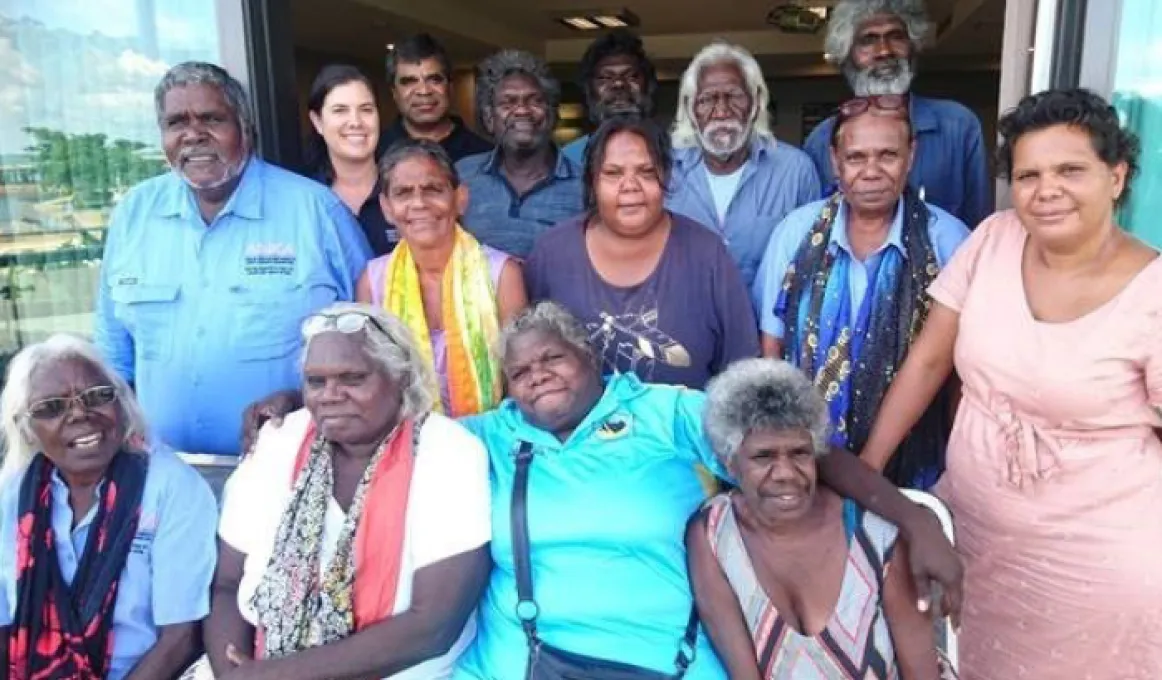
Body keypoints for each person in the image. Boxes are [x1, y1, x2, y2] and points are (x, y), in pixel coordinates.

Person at [451, 302, 963, 680]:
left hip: (665, 662)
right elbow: (412, 450)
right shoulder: (488, 437)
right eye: (520, 372)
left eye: (552, 358)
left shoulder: (661, 411)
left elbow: (791, 445)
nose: (538, 376)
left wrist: (915, 521)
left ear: (588, 353)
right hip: (517, 664)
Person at [857, 88, 1162, 678]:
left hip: (1101, 566)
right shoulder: (995, 239)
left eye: (1070, 170)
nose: (1047, 190)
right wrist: (867, 469)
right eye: (1028, 175)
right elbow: (927, 362)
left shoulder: (1153, 291)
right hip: (975, 537)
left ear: (1116, 176)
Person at [94, 62, 372, 459]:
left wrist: (301, 398)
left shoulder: (317, 212)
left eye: (211, 119)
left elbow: (374, 341)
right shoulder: (133, 214)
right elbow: (113, 357)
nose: (193, 135)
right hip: (163, 471)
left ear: (246, 129)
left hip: (291, 467)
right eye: (176, 122)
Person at [205, 303, 491, 680]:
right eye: (316, 381)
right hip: (259, 663)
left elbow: (433, 626)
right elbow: (226, 585)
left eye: (352, 379)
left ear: (401, 378)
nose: (330, 395)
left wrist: (270, 677)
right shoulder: (280, 440)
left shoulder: (447, 451)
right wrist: (232, 674)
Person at [754, 96, 969, 489]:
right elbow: (771, 345)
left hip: (914, 460)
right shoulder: (796, 232)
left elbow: (958, 368)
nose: (872, 172)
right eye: (856, 158)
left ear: (911, 156)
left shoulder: (948, 240)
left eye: (888, 155)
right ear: (835, 161)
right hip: (808, 458)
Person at [687, 358, 941, 679]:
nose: (786, 473)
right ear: (730, 464)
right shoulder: (713, 535)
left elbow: (922, 672)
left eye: (799, 453)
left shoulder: (876, 538)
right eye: (763, 456)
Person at [0, 334, 217, 680]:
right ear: (27, 430)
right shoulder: (14, 496)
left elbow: (181, 637)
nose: (79, 414)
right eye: (52, 407)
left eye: (97, 396)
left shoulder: (171, 486)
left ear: (122, 405)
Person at [524, 116, 759, 390]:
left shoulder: (707, 254)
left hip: (687, 418)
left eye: (646, 172)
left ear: (666, 176)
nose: (630, 185)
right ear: (592, 182)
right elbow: (527, 358)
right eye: (613, 173)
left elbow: (741, 367)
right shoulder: (552, 254)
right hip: (577, 420)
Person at [356, 140, 526, 415]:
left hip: (488, 431)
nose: (419, 203)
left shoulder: (502, 274)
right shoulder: (373, 282)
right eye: (403, 193)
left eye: (433, 189)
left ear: (460, 199)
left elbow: (520, 374)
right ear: (386, 208)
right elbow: (372, 378)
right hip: (405, 433)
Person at [804, 0, 990, 229]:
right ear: (847, 54)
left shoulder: (958, 126)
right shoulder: (822, 139)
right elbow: (816, 229)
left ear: (913, 46)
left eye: (896, 37)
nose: (884, 51)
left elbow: (979, 227)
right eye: (868, 40)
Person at [667, 41, 821, 290]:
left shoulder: (796, 170)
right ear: (689, 109)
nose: (721, 112)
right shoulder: (664, 171)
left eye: (735, 97)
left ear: (756, 103)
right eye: (707, 100)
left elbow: (813, 263)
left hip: (764, 316)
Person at [456, 50, 584, 259]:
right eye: (508, 103)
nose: (522, 110)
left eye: (535, 101)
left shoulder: (586, 185)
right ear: (489, 118)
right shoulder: (462, 175)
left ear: (552, 114)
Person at [304, 64, 399, 255]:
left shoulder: (407, 189)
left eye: (366, 109)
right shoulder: (305, 199)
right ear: (317, 121)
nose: (356, 122)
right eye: (340, 110)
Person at [378, 34, 493, 163]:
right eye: (409, 82)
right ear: (394, 92)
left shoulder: (486, 156)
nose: (424, 91)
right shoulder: (373, 153)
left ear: (450, 87)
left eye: (434, 80)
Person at [562, 29, 658, 165]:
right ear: (589, 90)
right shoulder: (568, 161)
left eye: (631, 76)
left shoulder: (675, 155)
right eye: (605, 77)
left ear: (649, 86)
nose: (619, 84)